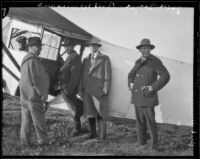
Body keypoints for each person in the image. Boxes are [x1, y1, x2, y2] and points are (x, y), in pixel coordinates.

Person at [128, 38, 170, 151]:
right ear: (140, 50)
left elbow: (166, 76)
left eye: (147, 48)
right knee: (140, 122)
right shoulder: (138, 61)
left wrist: (152, 87)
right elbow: (130, 74)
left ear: (150, 49)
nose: (145, 50)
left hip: (147, 96)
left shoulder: (155, 61)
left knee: (151, 123)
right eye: (143, 48)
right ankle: (141, 143)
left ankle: (154, 147)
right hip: (137, 95)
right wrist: (131, 82)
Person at [19, 37, 50, 153]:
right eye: (39, 46)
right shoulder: (33, 60)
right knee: (39, 121)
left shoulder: (26, 58)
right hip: (33, 97)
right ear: (31, 47)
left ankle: (25, 143)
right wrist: (43, 94)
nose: (41, 48)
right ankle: (43, 142)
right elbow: (37, 80)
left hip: (24, 96)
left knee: (25, 121)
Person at [79, 37, 112, 139]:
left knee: (100, 113)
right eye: (91, 45)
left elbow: (108, 75)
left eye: (95, 45)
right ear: (89, 46)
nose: (93, 47)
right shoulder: (85, 59)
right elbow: (82, 75)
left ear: (98, 47)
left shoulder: (105, 58)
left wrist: (105, 88)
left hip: (99, 91)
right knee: (90, 113)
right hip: (87, 90)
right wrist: (81, 88)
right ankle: (92, 134)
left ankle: (102, 135)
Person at [58, 38, 83, 137]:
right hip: (65, 87)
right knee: (74, 106)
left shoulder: (74, 57)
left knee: (74, 107)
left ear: (73, 47)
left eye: (69, 46)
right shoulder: (70, 57)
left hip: (68, 88)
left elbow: (75, 75)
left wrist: (70, 89)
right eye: (66, 46)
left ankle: (76, 130)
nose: (67, 48)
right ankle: (78, 128)